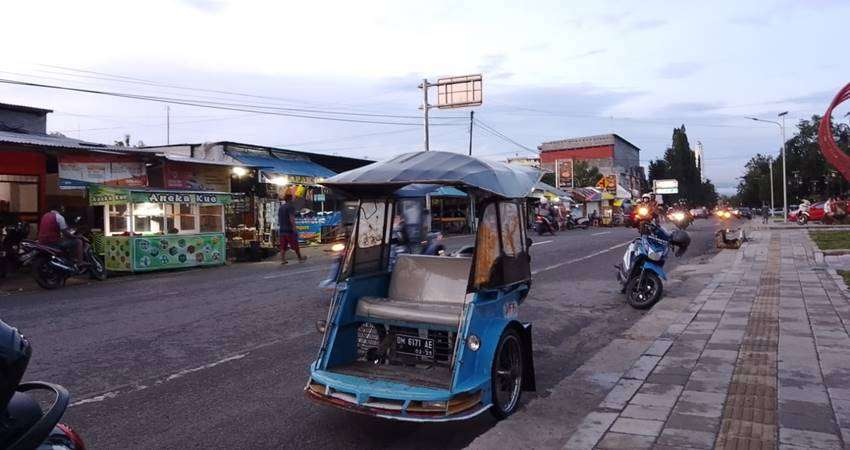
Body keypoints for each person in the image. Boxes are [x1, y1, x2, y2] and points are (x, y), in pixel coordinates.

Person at [278, 194, 306, 264]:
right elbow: (292, 219)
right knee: (295, 244)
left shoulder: (281, 207)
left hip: (282, 229)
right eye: (293, 198)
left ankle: (283, 259)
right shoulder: (290, 207)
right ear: (290, 199)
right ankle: (299, 257)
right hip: (289, 230)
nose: (294, 200)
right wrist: (295, 229)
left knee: (283, 245)